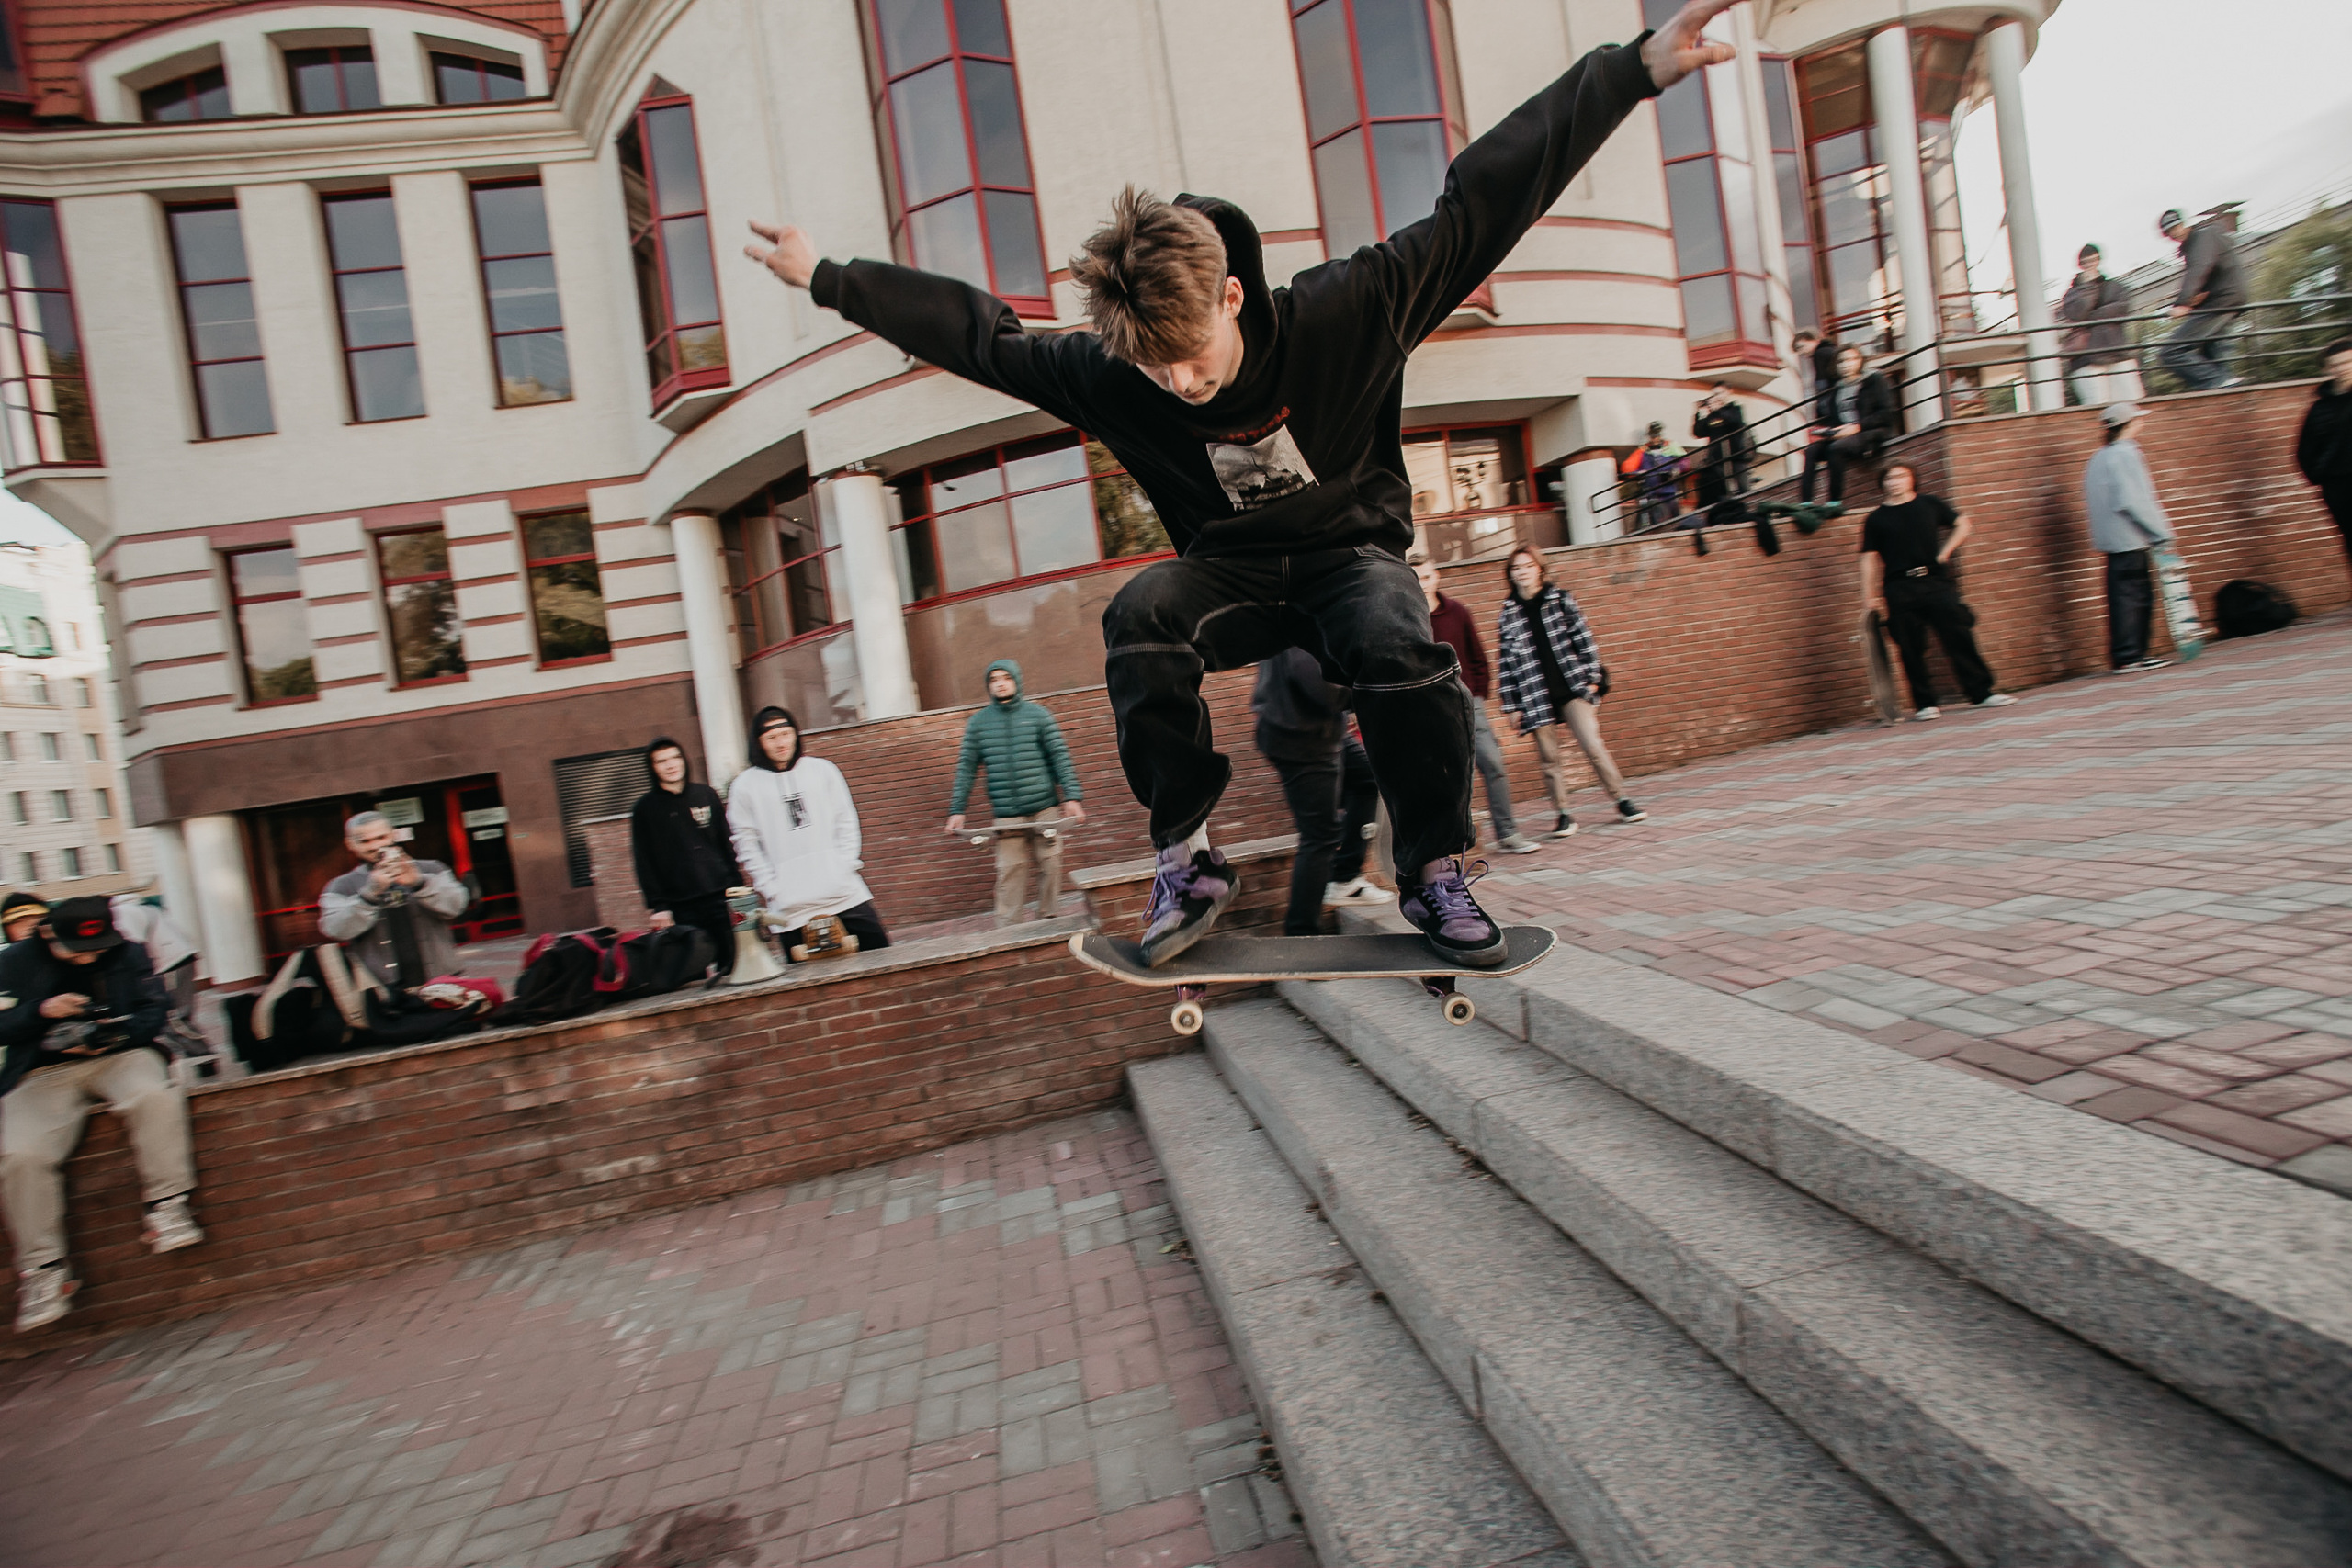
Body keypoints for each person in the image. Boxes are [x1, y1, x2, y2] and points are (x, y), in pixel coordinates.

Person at [745, 5, 1740, 969]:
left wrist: (1631, 71)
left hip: (1350, 558)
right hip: (1230, 575)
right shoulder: (1109, 370)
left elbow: (1478, 204)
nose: (1180, 385)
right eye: (1156, 373)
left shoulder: (1346, 311)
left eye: (1190, 358)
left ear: (1233, 295)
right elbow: (983, 336)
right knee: (1140, 614)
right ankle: (1187, 859)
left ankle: (1433, 868)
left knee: (1401, 637)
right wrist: (829, 277)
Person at [0, 897, 202, 1333]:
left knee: (155, 1097)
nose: (91, 956)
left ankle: (167, 1206)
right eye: (79, 949)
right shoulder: (12, 962)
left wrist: (118, 1034)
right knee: (20, 1154)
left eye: (99, 945)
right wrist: (40, 1012)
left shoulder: (126, 950)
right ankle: (44, 1271)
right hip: (42, 1070)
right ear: (50, 933)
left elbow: (155, 1010)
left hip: (120, 1055)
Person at [1496, 546, 1644, 836]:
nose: (1522, 572)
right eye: (1516, 568)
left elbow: (1584, 638)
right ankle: (1563, 814)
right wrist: (1512, 705)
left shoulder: (1560, 600)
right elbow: (1505, 664)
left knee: (1592, 744)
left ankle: (1622, 799)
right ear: (1510, 575)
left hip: (1572, 687)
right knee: (1550, 758)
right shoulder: (1508, 614)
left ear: (1540, 568)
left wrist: (1593, 677)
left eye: (1527, 566)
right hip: (1535, 694)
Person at [1856, 461, 2017, 719]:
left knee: (1959, 635)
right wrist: (1869, 597)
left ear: (1912, 480)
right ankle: (1925, 704)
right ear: (1883, 484)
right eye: (1889, 478)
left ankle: (1982, 693)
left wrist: (1945, 551)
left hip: (1936, 582)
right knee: (1910, 646)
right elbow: (1867, 558)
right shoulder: (1876, 519)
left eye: (1900, 476)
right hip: (1900, 587)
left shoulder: (1929, 504)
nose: (1894, 482)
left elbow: (1962, 523)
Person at [729, 707, 889, 956]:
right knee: (806, 984)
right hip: (790, 906)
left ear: (795, 734)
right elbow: (745, 843)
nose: (781, 743)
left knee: (880, 956)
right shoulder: (745, 786)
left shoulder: (822, 770)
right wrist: (772, 888)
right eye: (772, 738)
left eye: (785, 734)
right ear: (758, 742)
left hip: (843, 892)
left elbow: (846, 820)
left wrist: (843, 867)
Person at [1252, 649, 1391, 935]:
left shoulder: (1296, 609)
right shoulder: (1304, 611)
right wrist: (1366, 692)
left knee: (1367, 778)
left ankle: (1345, 877)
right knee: (1320, 835)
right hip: (1301, 736)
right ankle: (1302, 935)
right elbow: (1321, 685)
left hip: (1311, 726)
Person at [1414, 551, 1537, 855]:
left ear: (1437, 576)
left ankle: (1508, 833)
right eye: (1415, 579)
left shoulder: (1458, 612)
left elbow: (1478, 656)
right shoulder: (1407, 617)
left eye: (1427, 576)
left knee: (1493, 764)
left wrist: (1478, 693)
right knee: (1452, 777)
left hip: (1469, 704)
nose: (1423, 584)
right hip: (1431, 711)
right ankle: (1455, 841)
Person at [946, 660, 1087, 927]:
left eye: (1006, 678)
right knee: (1010, 870)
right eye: (994, 679)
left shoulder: (1039, 716)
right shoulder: (978, 724)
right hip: (1007, 814)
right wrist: (957, 810)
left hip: (1044, 807)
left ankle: (1050, 920)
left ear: (1016, 681)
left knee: (1051, 863)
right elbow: (966, 767)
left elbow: (1059, 757)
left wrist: (1072, 797)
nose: (1000, 683)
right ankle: (1008, 931)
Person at [318, 812, 469, 991]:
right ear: (350, 844)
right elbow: (335, 930)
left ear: (393, 834)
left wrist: (419, 882)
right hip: (380, 988)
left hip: (443, 979)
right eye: (365, 841)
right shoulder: (341, 885)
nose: (376, 846)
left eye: (381, 837)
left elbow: (458, 906)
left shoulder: (431, 868)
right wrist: (370, 893)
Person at [628, 736, 740, 969]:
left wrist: (738, 889)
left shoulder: (706, 795)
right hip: (680, 906)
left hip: (721, 896)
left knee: (734, 966)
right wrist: (658, 906)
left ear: (684, 761)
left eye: (675, 758)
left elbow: (726, 844)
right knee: (692, 974)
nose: (670, 765)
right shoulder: (645, 809)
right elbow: (644, 861)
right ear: (652, 768)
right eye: (661, 761)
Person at [2084, 402, 2177, 672]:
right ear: (2129, 424)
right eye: (2137, 420)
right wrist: (2162, 533)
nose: (2141, 423)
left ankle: (2128, 654)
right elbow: (2135, 500)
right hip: (2131, 537)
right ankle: (2131, 655)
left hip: (2111, 540)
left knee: (2121, 597)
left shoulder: (2098, 457)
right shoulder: (2127, 454)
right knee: (2136, 598)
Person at [2156, 209, 2246, 392]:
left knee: (2171, 352)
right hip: (2225, 298)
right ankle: (2225, 385)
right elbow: (2212, 269)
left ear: (2185, 223)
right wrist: (2198, 296)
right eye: (2170, 232)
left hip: (2221, 301)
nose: (2175, 234)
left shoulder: (2202, 236)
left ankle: (2215, 382)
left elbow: (2200, 268)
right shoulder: (2200, 240)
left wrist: (2183, 302)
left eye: (2177, 227)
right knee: (2211, 350)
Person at [1812, 345, 1900, 502]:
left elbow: (1886, 414)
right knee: (1812, 451)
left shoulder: (1874, 380)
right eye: (1842, 361)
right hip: (1847, 435)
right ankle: (1806, 502)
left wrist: (1857, 427)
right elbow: (1836, 420)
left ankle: (1834, 501)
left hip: (1873, 431)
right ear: (1836, 365)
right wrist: (1830, 432)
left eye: (1852, 359)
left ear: (1861, 361)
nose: (1847, 364)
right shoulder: (1837, 390)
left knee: (1836, 448)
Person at [2059, 244, 2143, 408]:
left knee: (2132, 404)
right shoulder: (2072, 294)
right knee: (2097, 409)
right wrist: (2088, 287)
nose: (2090, 264)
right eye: (2086, 261)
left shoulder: (2116, 287)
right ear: (2080, 264)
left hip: (2117, 352)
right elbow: (2077, 313)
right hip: (2087, 357)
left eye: (2093, 260)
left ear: (2098, 260)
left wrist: (2091, 317)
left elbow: (2123, 309)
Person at [2294, 336, 2352, 571]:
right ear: (2328, 368)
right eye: (2337, 364)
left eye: (2348, 362)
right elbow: (2304, 451)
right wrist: (2323, 477)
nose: (2343, 368)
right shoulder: (2320, 408)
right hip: (2340, 488)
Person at [1792, 329, 1840, 502]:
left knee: (1814, 453)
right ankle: (1828, 500)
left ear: (1811, 339)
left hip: (1833, 419)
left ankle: (1807, 501)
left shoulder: (1820, 354)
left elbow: (1823, 389)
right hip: (1836, 415)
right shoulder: (1832, 351)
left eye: (1801, 347)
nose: (1801, 353)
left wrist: (1822, 419)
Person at [1691, 386, 1753, 507]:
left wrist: (1719, 409)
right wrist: (1699, 415)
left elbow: (1735, 422)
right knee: (1720, 489)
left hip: (1736, 456)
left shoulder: (1735, 409)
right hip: (1717, 459)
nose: (1717, 397)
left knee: (1742, 488)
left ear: (1728, 393)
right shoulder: (1712, 415)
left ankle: (1746, 510)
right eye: (1714, 394)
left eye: (1719, 393)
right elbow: (1699, 432)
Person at [1623, 422, 1687, 530]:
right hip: (1650, 491)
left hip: (1668, 490)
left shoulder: (1671, 446)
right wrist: (1639, 474)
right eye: (1653, 435)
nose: (1656, 438)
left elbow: (1685, 462)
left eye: (1658, 434)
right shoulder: (1643, 451)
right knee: (1649, 516)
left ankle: (1678, 529)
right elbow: (1628, 468)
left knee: (1674, 514)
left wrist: (1675, 470)